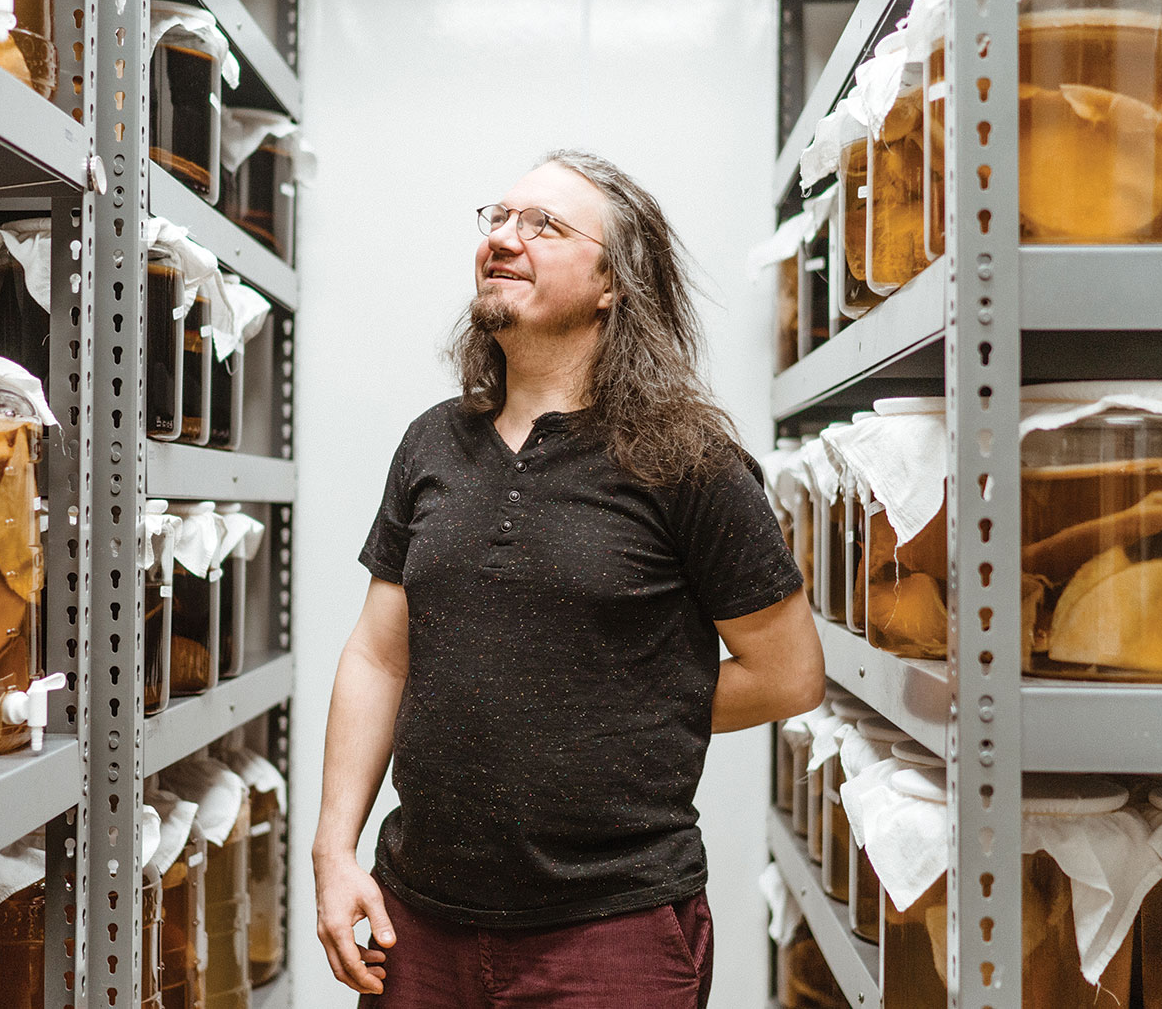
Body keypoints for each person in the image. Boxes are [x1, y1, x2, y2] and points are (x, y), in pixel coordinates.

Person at [312, 149, 825, 1007]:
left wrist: (615, 707)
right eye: (499, 220)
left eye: (544, 225)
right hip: (418, 920)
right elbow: (378, 657)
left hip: (610, 932)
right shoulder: (432, 443)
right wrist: (335, 850)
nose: (505, 239)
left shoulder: (687, 457)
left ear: (612, 285)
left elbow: (790, 675)